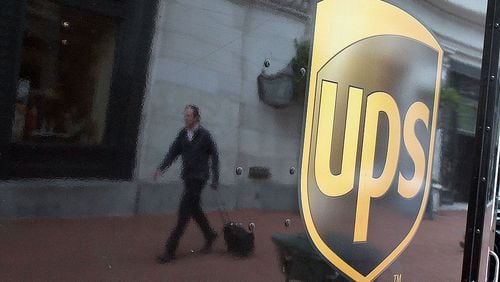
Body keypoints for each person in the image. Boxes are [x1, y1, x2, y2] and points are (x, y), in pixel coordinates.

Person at [154, 105, 219, 264]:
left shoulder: (205, 135)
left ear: (196, 118)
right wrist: (161, 168)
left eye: (189, 116)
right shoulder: (183, 134)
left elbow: (215, 157)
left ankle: (170, 250)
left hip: (199, 178)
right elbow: (173, 152)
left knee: (184, 213)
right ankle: (210, 234)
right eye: (185, 115)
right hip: (188, 177)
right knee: (195, 210)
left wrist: (215, 179)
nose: (186, 118)